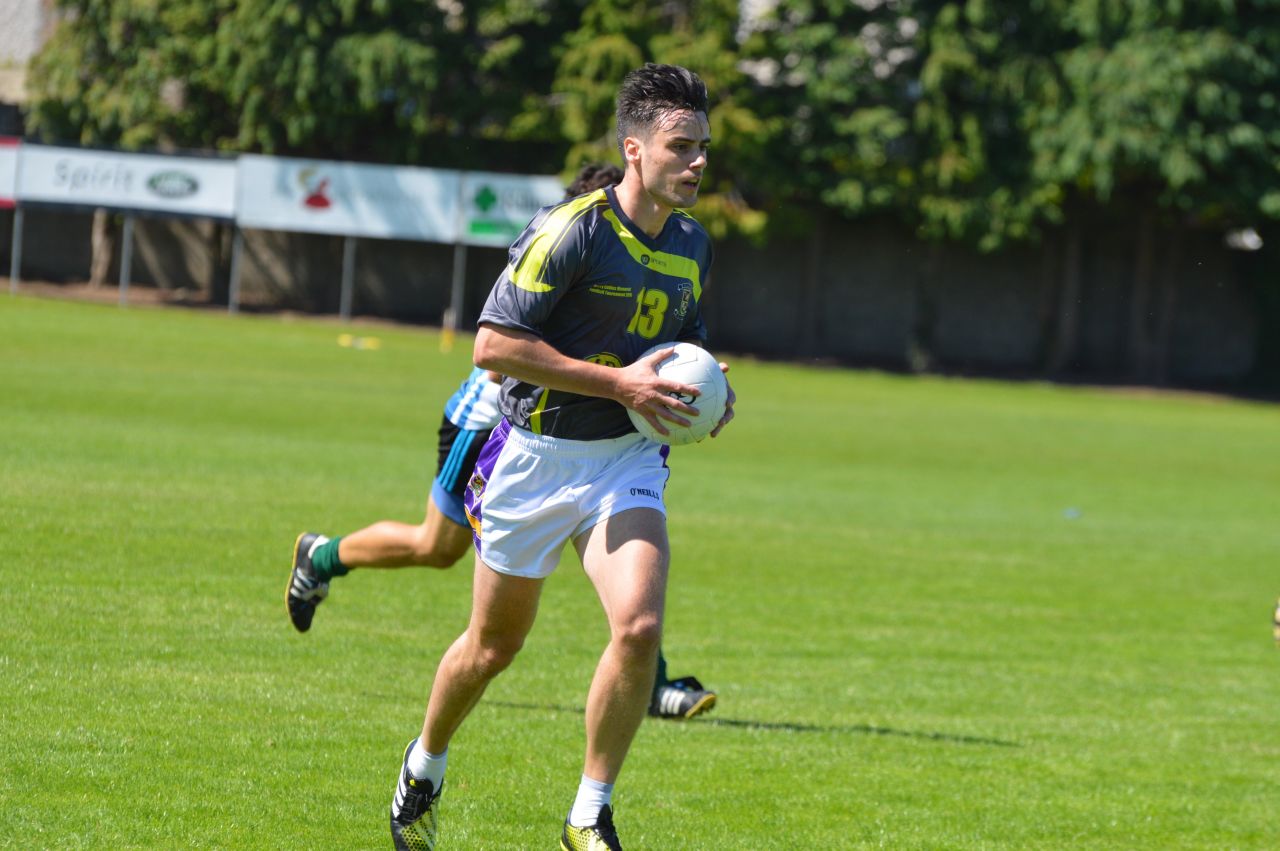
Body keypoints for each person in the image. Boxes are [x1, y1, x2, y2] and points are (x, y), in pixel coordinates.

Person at [385, 63, 733, 851]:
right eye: (683, 145)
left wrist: (707, 394)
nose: (699, 161)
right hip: (533, 458)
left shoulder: (692, 246)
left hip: (624, 460)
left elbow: (685, 347)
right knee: (491, 648)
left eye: (705, 145)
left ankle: (588, 812)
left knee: (640, 625)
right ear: (635, 148)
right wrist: (619, 382)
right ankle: (425, 761)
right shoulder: (570, 229)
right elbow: (494, 345)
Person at [284, 163, 716, 722]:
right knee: (437, 548)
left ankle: (650, 679)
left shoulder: (657, 256)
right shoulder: (570, 245)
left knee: (623, 553)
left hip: (583, 439)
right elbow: (502, 362)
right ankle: (321, 556)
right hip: (490, 421)